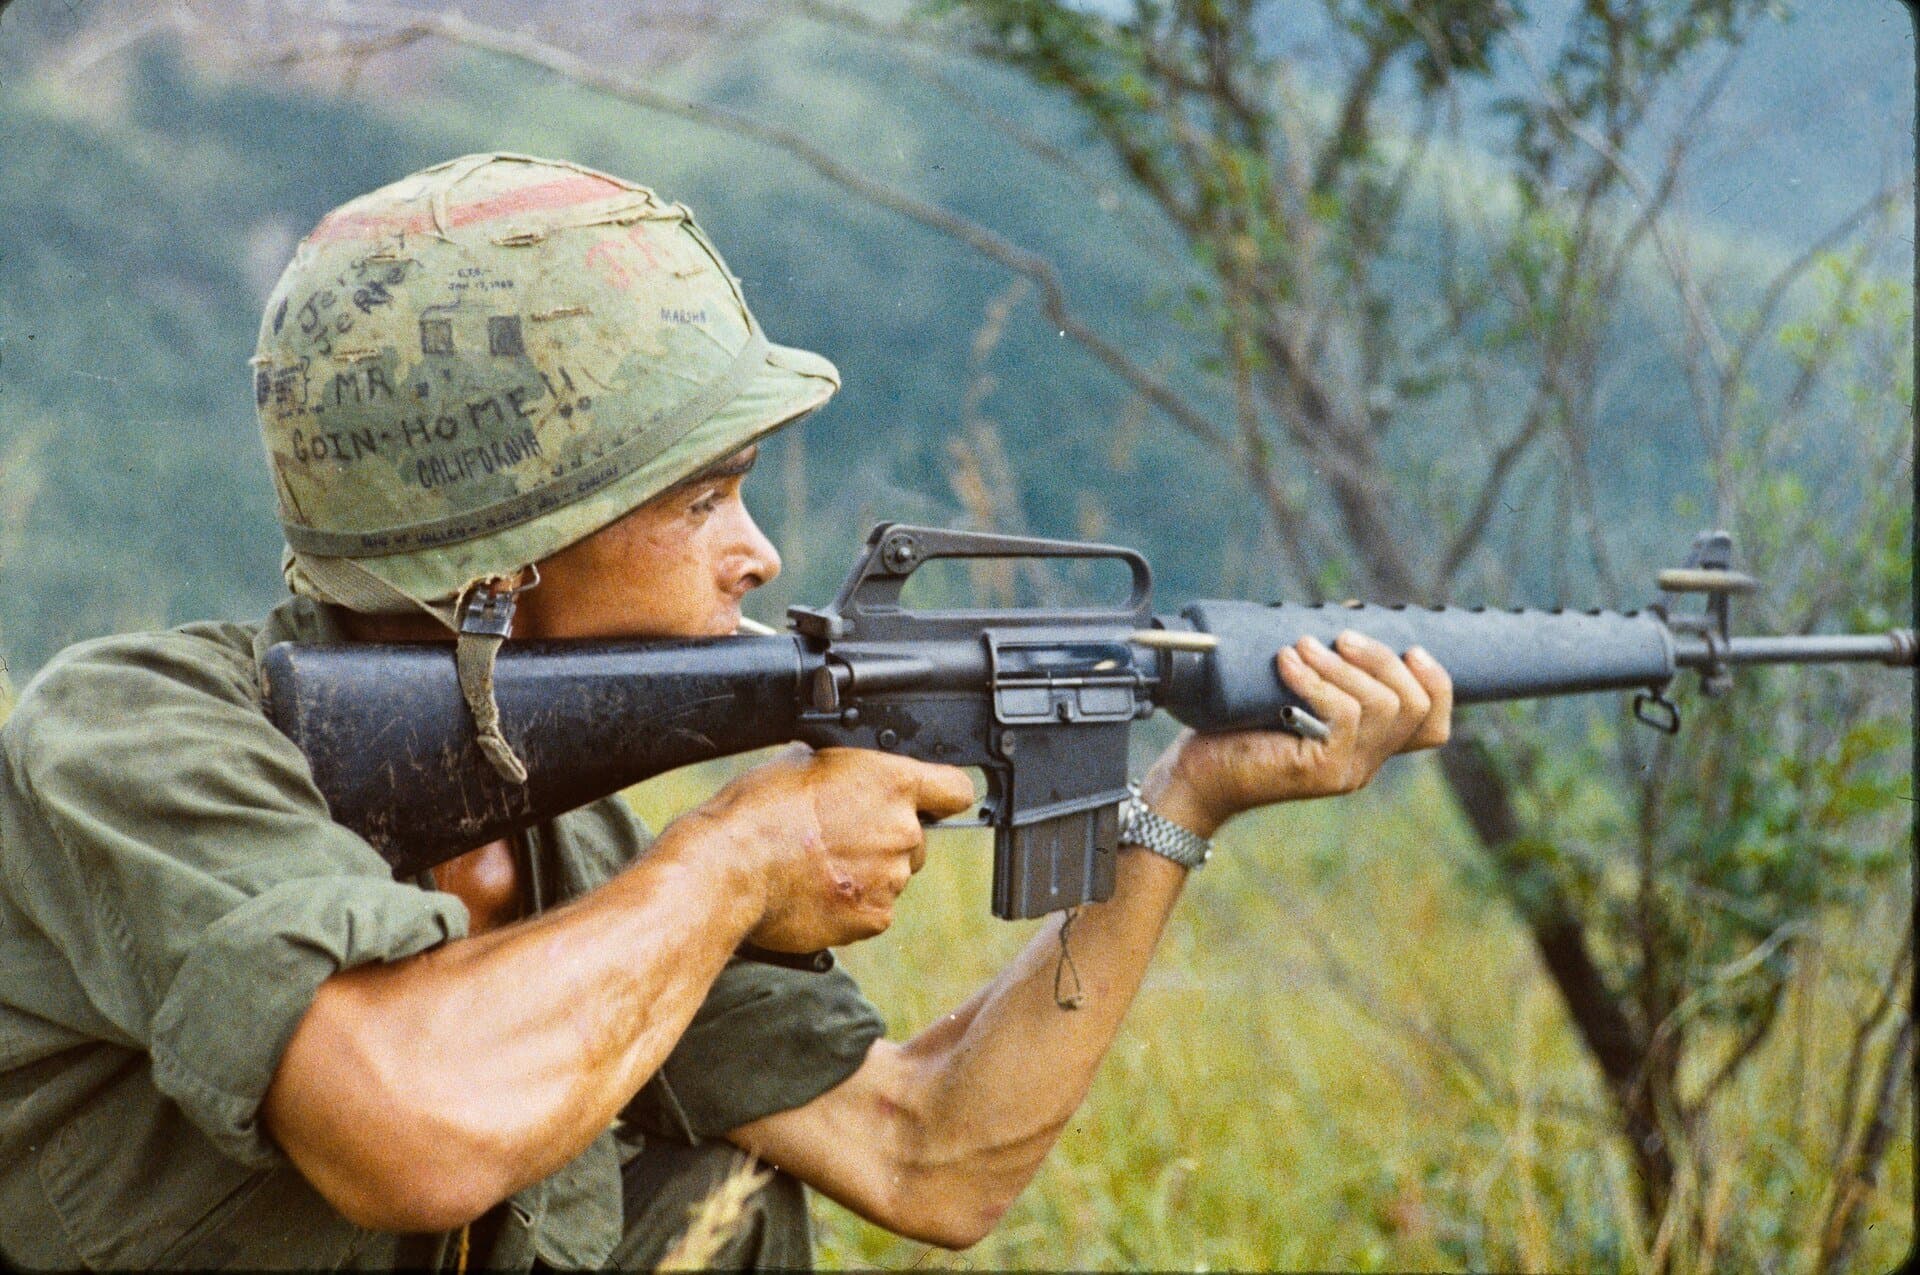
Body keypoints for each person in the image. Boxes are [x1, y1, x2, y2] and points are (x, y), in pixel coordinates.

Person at [0, 153, 1452, 1270]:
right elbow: (408, 1132)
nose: (756, 553)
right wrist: (737, 862)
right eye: (702, 498)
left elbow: (929, 1156)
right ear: (498, 565)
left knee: (721, 1199)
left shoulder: (564, 844)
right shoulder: (139, 737)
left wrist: (1181, 802)